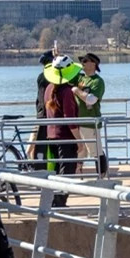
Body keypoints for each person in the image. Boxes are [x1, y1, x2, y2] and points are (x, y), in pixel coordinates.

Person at [40, 55, 84, 204]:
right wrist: (80, 141)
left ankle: (54, 199)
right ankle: (60, 201)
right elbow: (69, 118)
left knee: (56, 170)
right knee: (67, 171)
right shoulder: (66, 92)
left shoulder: (48, 88)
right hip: (65, 137)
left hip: (51, 135)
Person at [71, 53, 106, 175]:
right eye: (82, 61)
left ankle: (102, 176)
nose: (83, 63)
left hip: (90, 122)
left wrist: (77, 91)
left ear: (93, 64)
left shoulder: (98, 81)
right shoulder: (79, 78)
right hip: (77, 122)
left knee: (96, 151)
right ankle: (77, 175)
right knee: (80, 150)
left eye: (85, 61)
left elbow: (92, 99)